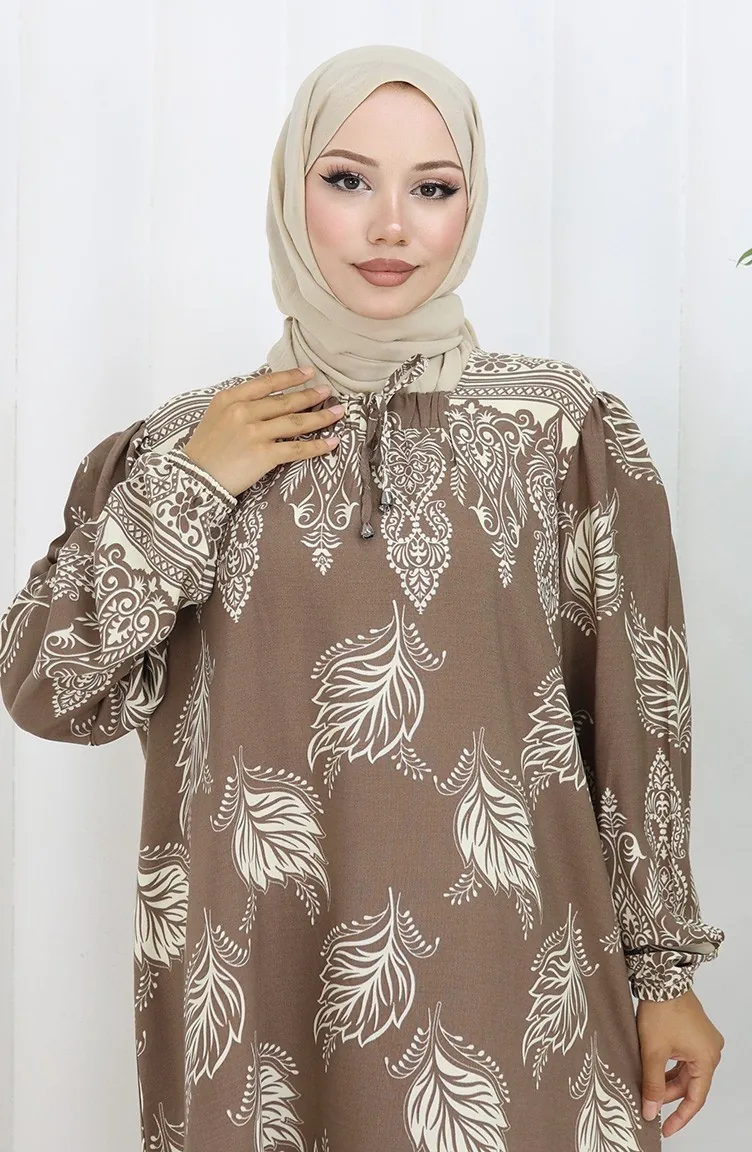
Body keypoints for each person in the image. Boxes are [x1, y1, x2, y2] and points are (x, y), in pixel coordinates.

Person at [0, 43, 725, 1152]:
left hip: (517, 986)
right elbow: (50, 692)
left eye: (432, 188)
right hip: (257, 994)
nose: (392, 226)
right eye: (347, 180)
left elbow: (639, 716)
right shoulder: (177, 445)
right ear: (290, 189)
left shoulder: (563, 431)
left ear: (469, 206)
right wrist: (195, 482)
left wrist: (663, 974)